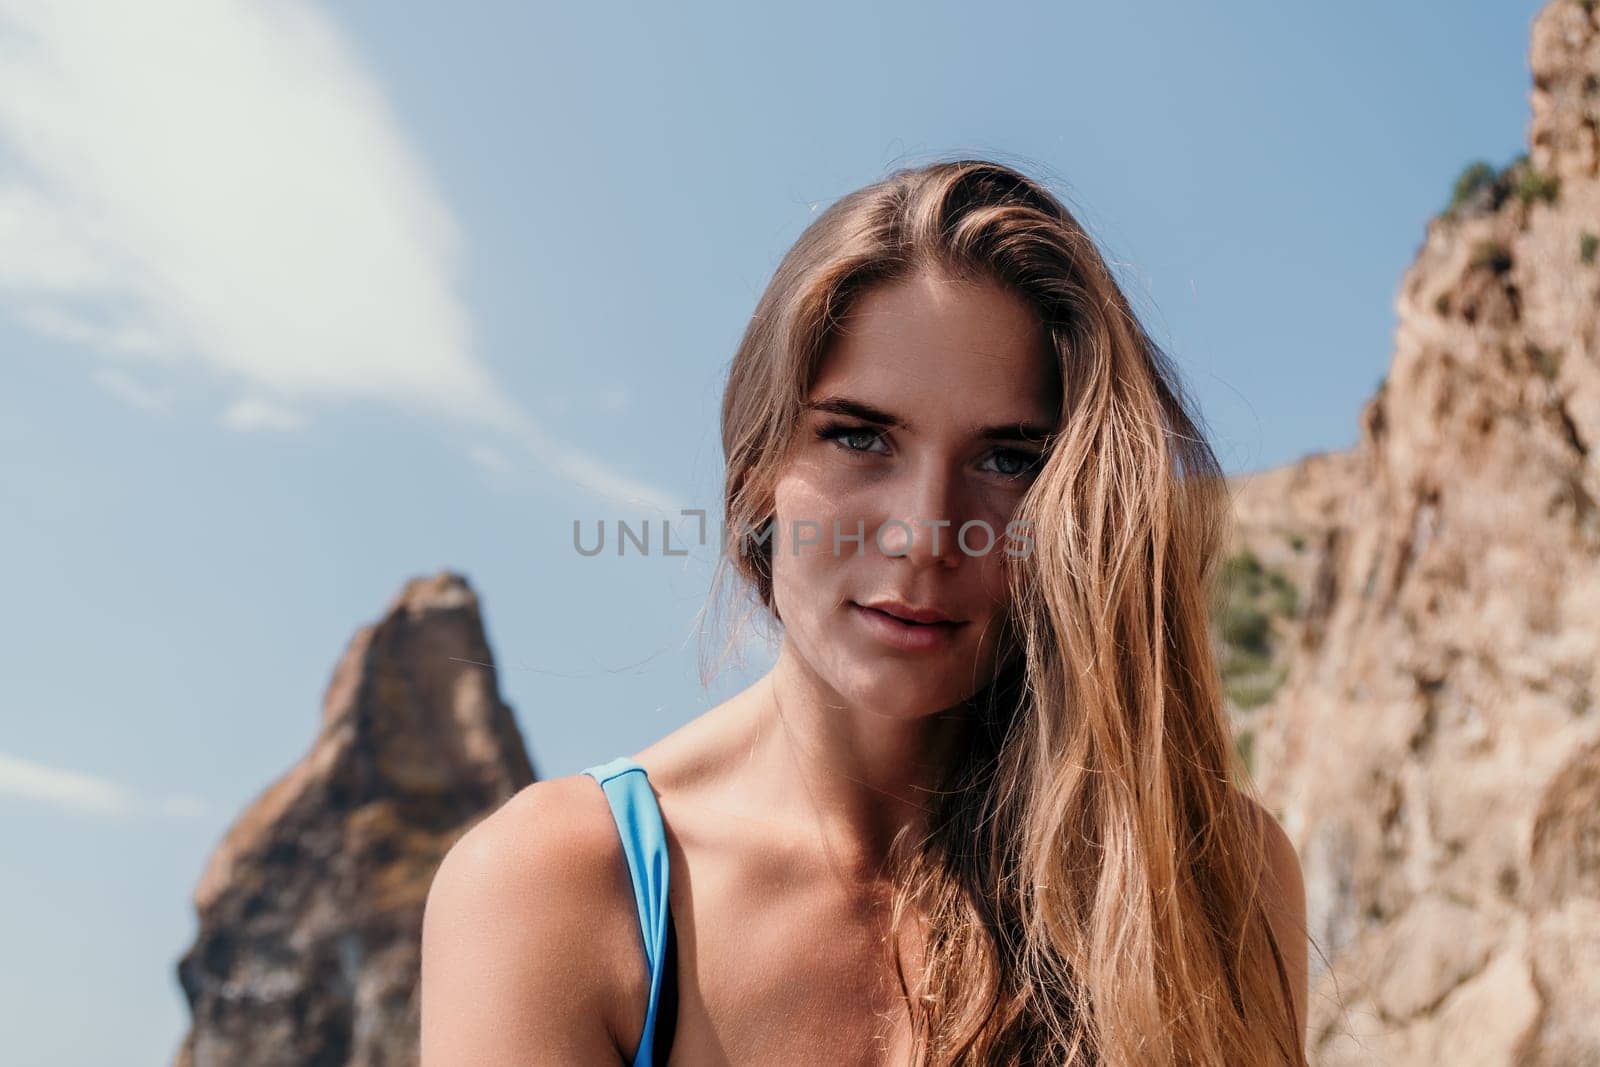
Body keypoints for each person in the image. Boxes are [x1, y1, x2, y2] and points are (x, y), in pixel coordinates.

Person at [419, 158, 1309, 1066]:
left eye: (1009, 459)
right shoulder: (558, 891)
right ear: (759, 471)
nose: (927, 533)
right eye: (859, 436)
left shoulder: (1203, 874)